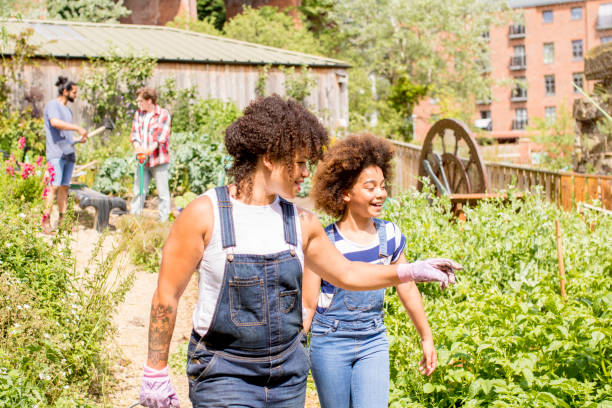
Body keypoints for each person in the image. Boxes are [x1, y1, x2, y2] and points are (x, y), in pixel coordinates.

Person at [137, 95, 461, 408]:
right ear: (269, 157)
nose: (307, 173)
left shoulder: (302, 223)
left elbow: (347, 273)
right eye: (300, 163)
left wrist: (408, 270)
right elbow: (167, 295)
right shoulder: (204, 215)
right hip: (224, 373)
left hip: (286, 377)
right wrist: (156, 369)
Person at [302, 133, 445, 408]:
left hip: (373, 339)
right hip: (330, 341)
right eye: (370, 187)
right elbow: (308, 305)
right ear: (345, 193)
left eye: (382, 186)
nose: (380, 193)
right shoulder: (324, 241)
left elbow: (406, 286)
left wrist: (426, 337)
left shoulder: (389, 235)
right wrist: (293, 351)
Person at [42, 76, 88, 233]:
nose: (76, 95)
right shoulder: (52, 105)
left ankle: (63, 222)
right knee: (53, 187)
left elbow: (65, 136)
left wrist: (77, 140)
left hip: (69, 153)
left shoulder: (68, 110)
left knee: (64, 188)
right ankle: (45, 221)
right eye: (74, 92)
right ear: (65, 91)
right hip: (56, 153)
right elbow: (54, 123)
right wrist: (76, 127)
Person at [129, 87, 171, 222]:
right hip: (143, 161)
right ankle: (134, 220)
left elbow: (161, 137)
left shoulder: (163, 114)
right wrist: (138, 148)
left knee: (163, 194)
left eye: (140, 101)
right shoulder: (138, 114)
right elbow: (135, 134)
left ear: (149, 100)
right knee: (138, 192)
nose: (138, 103)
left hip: (159, 160)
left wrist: (147, 150)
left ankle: (163, 222)